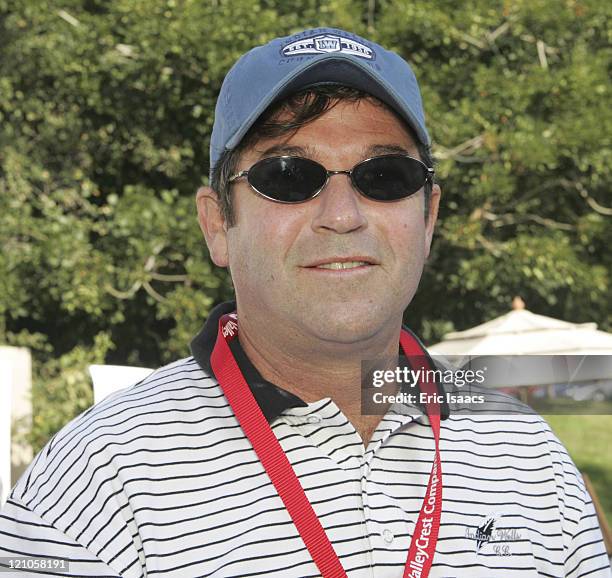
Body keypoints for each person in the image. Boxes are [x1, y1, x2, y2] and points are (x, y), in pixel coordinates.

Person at [0, 27, 609, 578]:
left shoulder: (528, 454)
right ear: (217, 225)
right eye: (289, 176)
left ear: (428, 220)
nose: (342, 216)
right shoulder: (97, 480)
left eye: (386, 176)